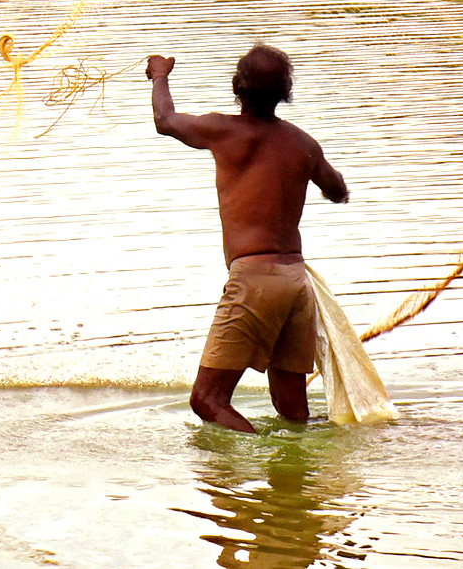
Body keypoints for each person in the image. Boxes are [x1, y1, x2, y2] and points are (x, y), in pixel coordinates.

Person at [146, 44, 348, 433]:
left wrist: (160, 75)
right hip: (296, 283)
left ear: (237, 87)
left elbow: (165, 119)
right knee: (290, 409)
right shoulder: (303, 144)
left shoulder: (225, 131)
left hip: (254, 280)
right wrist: (313, 175)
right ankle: (292, 487)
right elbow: (337, 190)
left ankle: (258, 454)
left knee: (207, 399)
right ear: (284, 93)